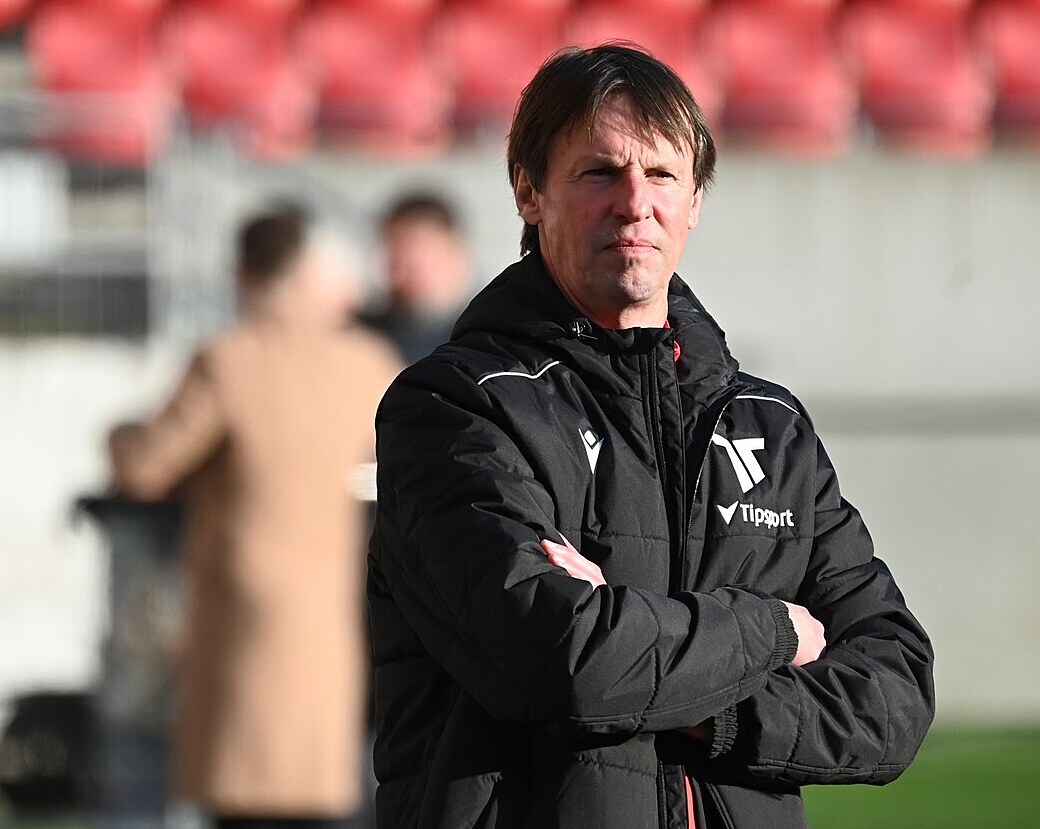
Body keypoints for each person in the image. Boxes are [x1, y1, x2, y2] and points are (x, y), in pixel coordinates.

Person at [367, 44, 934, 828]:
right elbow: (563, 663)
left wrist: (696, 698)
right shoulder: (456, 407)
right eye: (600, 172)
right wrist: (772, 628)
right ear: (529, 191)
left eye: (662, 174)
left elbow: (894, 698)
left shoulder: (767, 425)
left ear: (694, 199)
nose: (635, 203)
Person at [109, 206, 402, 827]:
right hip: (333, 601)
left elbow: (147, 466)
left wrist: (118, 435)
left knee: (243, 789)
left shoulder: (229, 360)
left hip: (242, 608)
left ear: (243, 274)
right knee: (314, 785)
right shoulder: (366, 363)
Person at [358, 192, 474, 365]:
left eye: (411, 264)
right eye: (393, 262)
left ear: (451, 253)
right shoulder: (364, 334)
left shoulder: (489, 336)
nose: (395, 277)